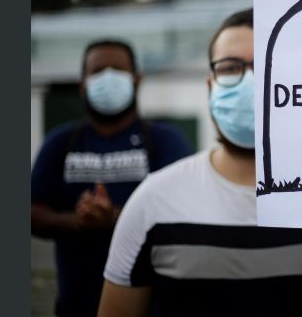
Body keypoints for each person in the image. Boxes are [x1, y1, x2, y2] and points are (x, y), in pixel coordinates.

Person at [98, 9, 302, 316]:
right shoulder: (154, 201)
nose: (250, 81)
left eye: (267, 64)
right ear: (210, 86)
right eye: (230, 68)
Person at [31, 39, 193, 317]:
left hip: (154, 307)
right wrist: (78, 221)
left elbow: (186, 212)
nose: (107, 77)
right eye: (98, 71)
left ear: (137, 80)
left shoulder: (164, 141)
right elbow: (33, 212)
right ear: (83, 85)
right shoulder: (61, 142)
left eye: (117, 70)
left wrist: (116, 218)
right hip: (76, 306)